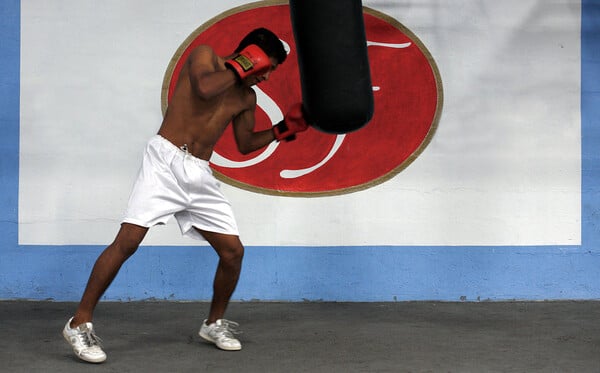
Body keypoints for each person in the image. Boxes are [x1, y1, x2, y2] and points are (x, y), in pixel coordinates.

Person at [62, 27, 310, 363]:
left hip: (198, 172)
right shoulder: (205, 57)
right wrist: (243, 65)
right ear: (251, 56)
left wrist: (282, 130)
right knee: (128, 241)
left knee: (233, 251)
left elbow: (245, 143)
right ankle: (79, 323)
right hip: (164, 160)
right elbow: (206, 89)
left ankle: (213, 323)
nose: (266, 77)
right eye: (267, 68)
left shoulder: (246, 98)